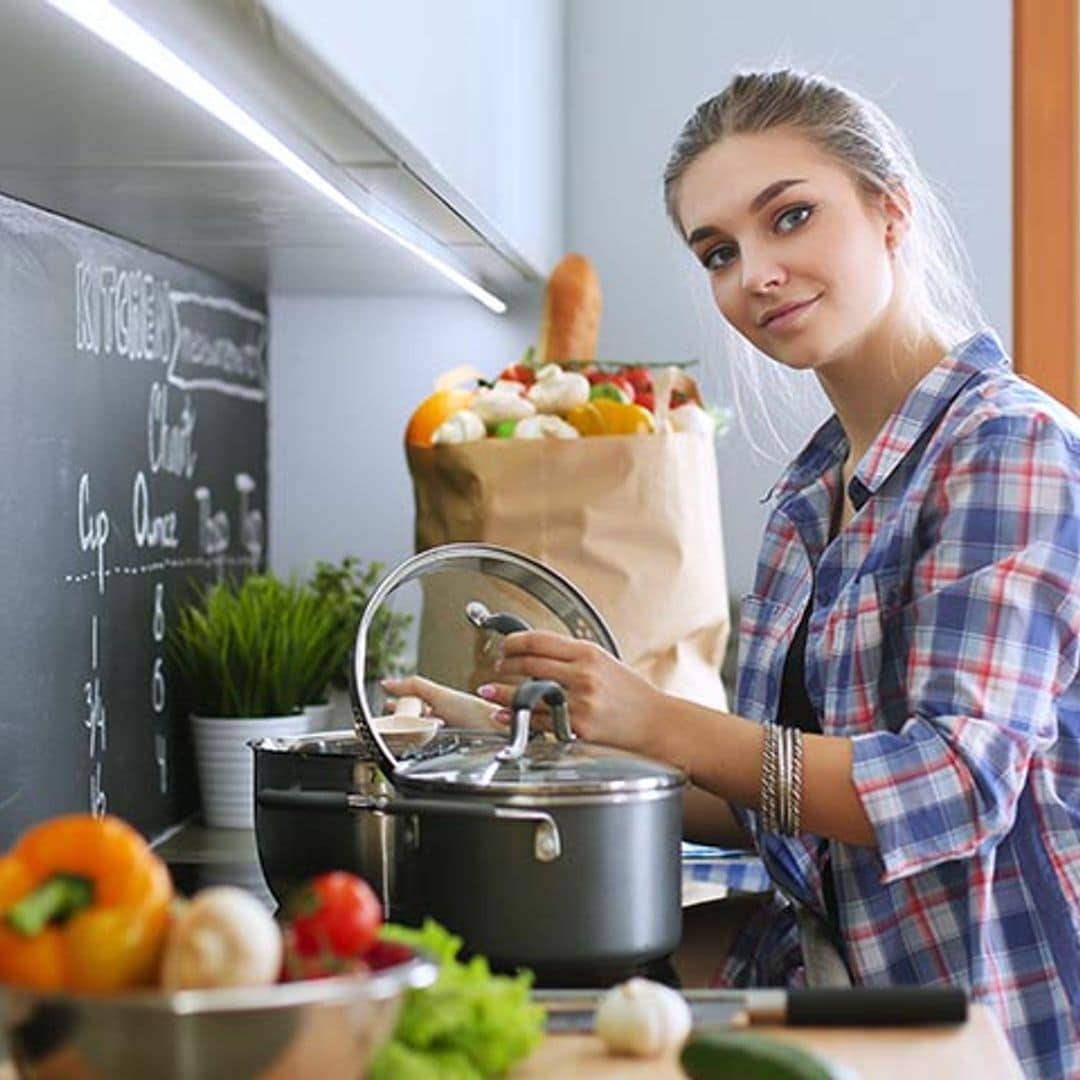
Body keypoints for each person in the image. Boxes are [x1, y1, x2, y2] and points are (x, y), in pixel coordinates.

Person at [384, 70, 1080, 1077]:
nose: (756, 272)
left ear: (890, 213)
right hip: (841, 1014)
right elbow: (779, 801)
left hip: (996, 1037)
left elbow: (953, 786)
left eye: (790, 217)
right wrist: (530, 737)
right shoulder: (812, 495)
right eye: (720, 252)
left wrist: (658, 717)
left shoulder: (1009, 448)